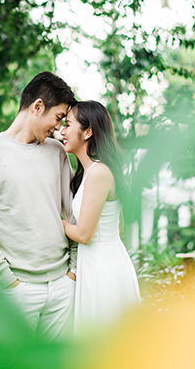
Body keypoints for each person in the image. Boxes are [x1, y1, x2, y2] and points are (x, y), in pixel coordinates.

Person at [0, 71, 78, 340]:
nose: (59, 128)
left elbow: (72, 213)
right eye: (58, 118)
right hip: (18, 291)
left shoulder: (57, 152)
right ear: (38, 106)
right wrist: (9, 283)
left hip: (62, 285)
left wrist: (72, 273)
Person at [59, 100, 140, 332]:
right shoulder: (90, 172)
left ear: (88, 132)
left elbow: (84, 234)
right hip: (97, 263)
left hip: (104, 270)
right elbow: (120, 226)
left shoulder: (98, 173)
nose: (61, 131)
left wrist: (58, 222)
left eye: (67, 124)